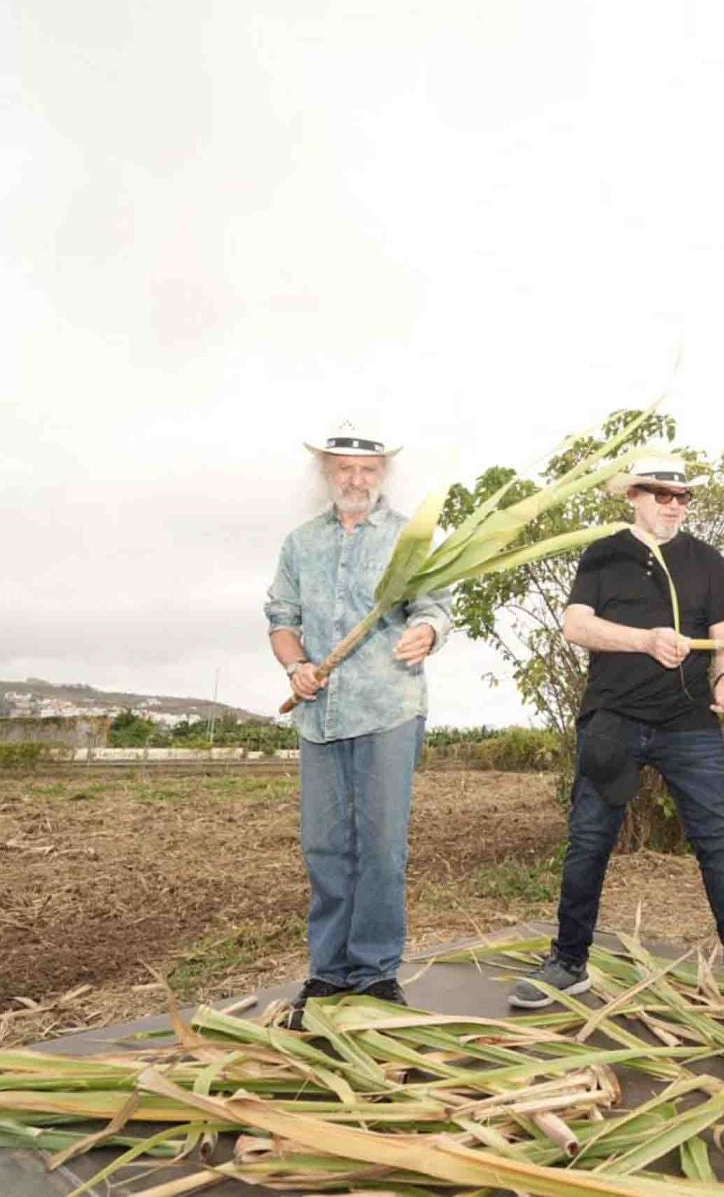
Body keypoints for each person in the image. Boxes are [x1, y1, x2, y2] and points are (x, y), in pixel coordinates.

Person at [507, 451, 724, 1034]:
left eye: (682, 497)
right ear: (634, 497)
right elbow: (575, 625)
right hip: (613, 719)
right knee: (589, 842)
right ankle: (568, 963)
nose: (674, 506)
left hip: (689, 722)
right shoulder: (604, 554)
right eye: (661, 495)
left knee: (720, 846)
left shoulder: (706, 560)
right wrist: (645, 640)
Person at [266, 422, 452, 1022]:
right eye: (344, 468)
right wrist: (296, 666)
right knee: (324, 847)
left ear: (382, 475)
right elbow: (281, 618)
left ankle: (374, 975)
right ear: (326, 472)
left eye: (367, 469)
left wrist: (426, 632)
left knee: (380, 847)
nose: (355, 479)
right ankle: (327, 973)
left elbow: (434, 607)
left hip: (387, 709)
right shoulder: (300, 543)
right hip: (319, 716)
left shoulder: (409, 539)